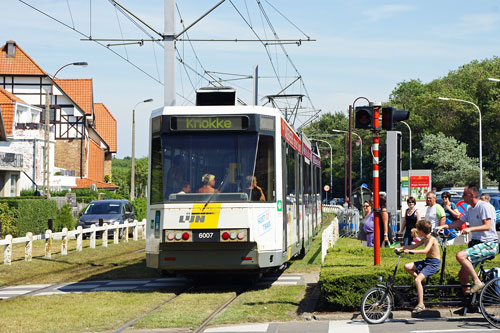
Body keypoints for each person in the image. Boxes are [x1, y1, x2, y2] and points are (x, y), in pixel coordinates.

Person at [436, 185, 498, 297]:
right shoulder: (469, 209)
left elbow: (487, 226)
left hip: (489, 244)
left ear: (472, 195)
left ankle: (478, 282)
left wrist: (470, 229)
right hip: (476, 243)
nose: (462, 196)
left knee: (460, 256)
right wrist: (443, 227)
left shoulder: (484, 206)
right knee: (463, 276)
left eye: (464, 194)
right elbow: (459, 222)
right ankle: (469, 304)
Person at [396, 220, 441, 314]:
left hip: (434, 263)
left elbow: (425, 250)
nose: (416, 232)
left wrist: (411, 252)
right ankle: (420, 282)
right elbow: (415, 246)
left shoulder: (431, 239)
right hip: (427, 261)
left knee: (417, 281)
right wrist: (401, 248)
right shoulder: (425, 238)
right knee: (407, 266)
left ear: (421, 230)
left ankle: (421, 304)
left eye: (418, 230)